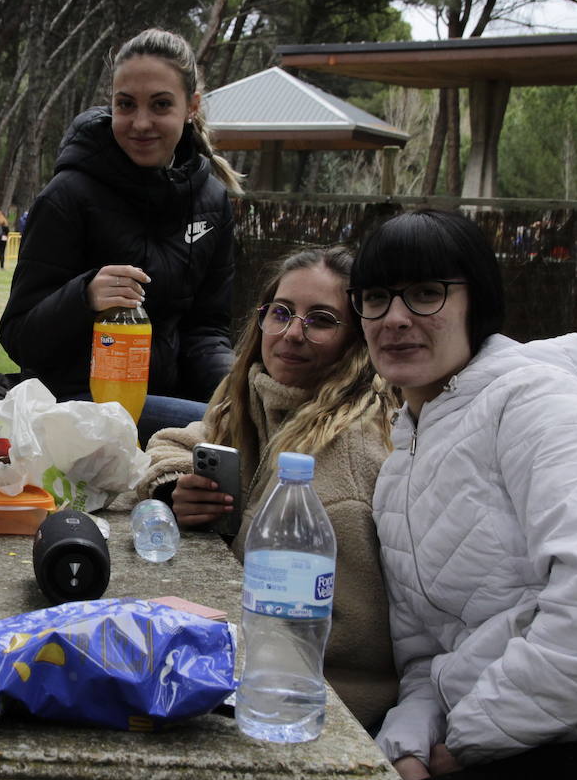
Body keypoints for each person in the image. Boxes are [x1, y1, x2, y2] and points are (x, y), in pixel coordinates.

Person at [351, 209, 577, 780]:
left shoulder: (542, 405)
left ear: (479, 301)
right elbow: (423, 662)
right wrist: (408, 748)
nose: (396, 317)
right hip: (516, 738)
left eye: (427, 293)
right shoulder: (399, 471)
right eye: (376, 298)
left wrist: (467, 740)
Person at [135, 247, 398, 730]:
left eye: (320, 320)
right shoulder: (255, 398)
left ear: (356, 339)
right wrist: (175, 488)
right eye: (281, 313)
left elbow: (357, 644)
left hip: (307, 705)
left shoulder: (345, 462)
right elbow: (175, 441)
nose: (292, 333)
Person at [0, 27, 239, 443]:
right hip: (73, 406)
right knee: (230, 433)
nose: (140, 123)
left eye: (160, 105)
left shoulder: (212, 201)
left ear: (191, 107)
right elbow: (19, 337)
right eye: (126, 105)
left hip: (167, 399)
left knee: (246, 422)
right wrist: (84, 296)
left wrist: (233, 392)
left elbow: (206, 331)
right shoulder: (67, 196)